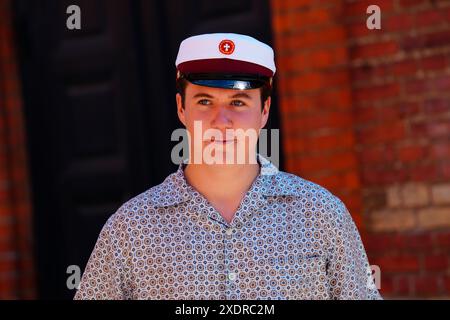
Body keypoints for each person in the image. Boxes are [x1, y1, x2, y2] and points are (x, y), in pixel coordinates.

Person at [74, 33, 382, 300]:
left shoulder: (322, 215)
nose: (221, 122)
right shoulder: (130, 229)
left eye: (238, 102)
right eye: (205, 101)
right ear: (182, 108)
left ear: (264, 110)